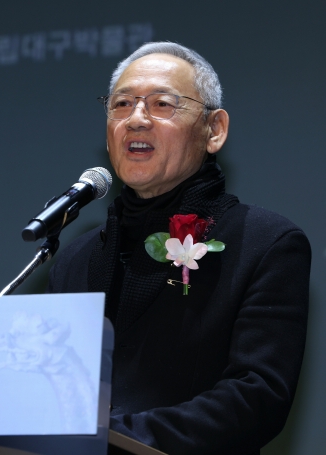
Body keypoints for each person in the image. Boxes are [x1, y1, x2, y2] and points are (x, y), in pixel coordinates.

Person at [47, 42, 311, 455]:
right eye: (121, 104)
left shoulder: (265, 244)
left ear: (214, 130)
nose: (136, 119)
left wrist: (122, 440)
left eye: (162, 104)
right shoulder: (74, 261)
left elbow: (257, 396)